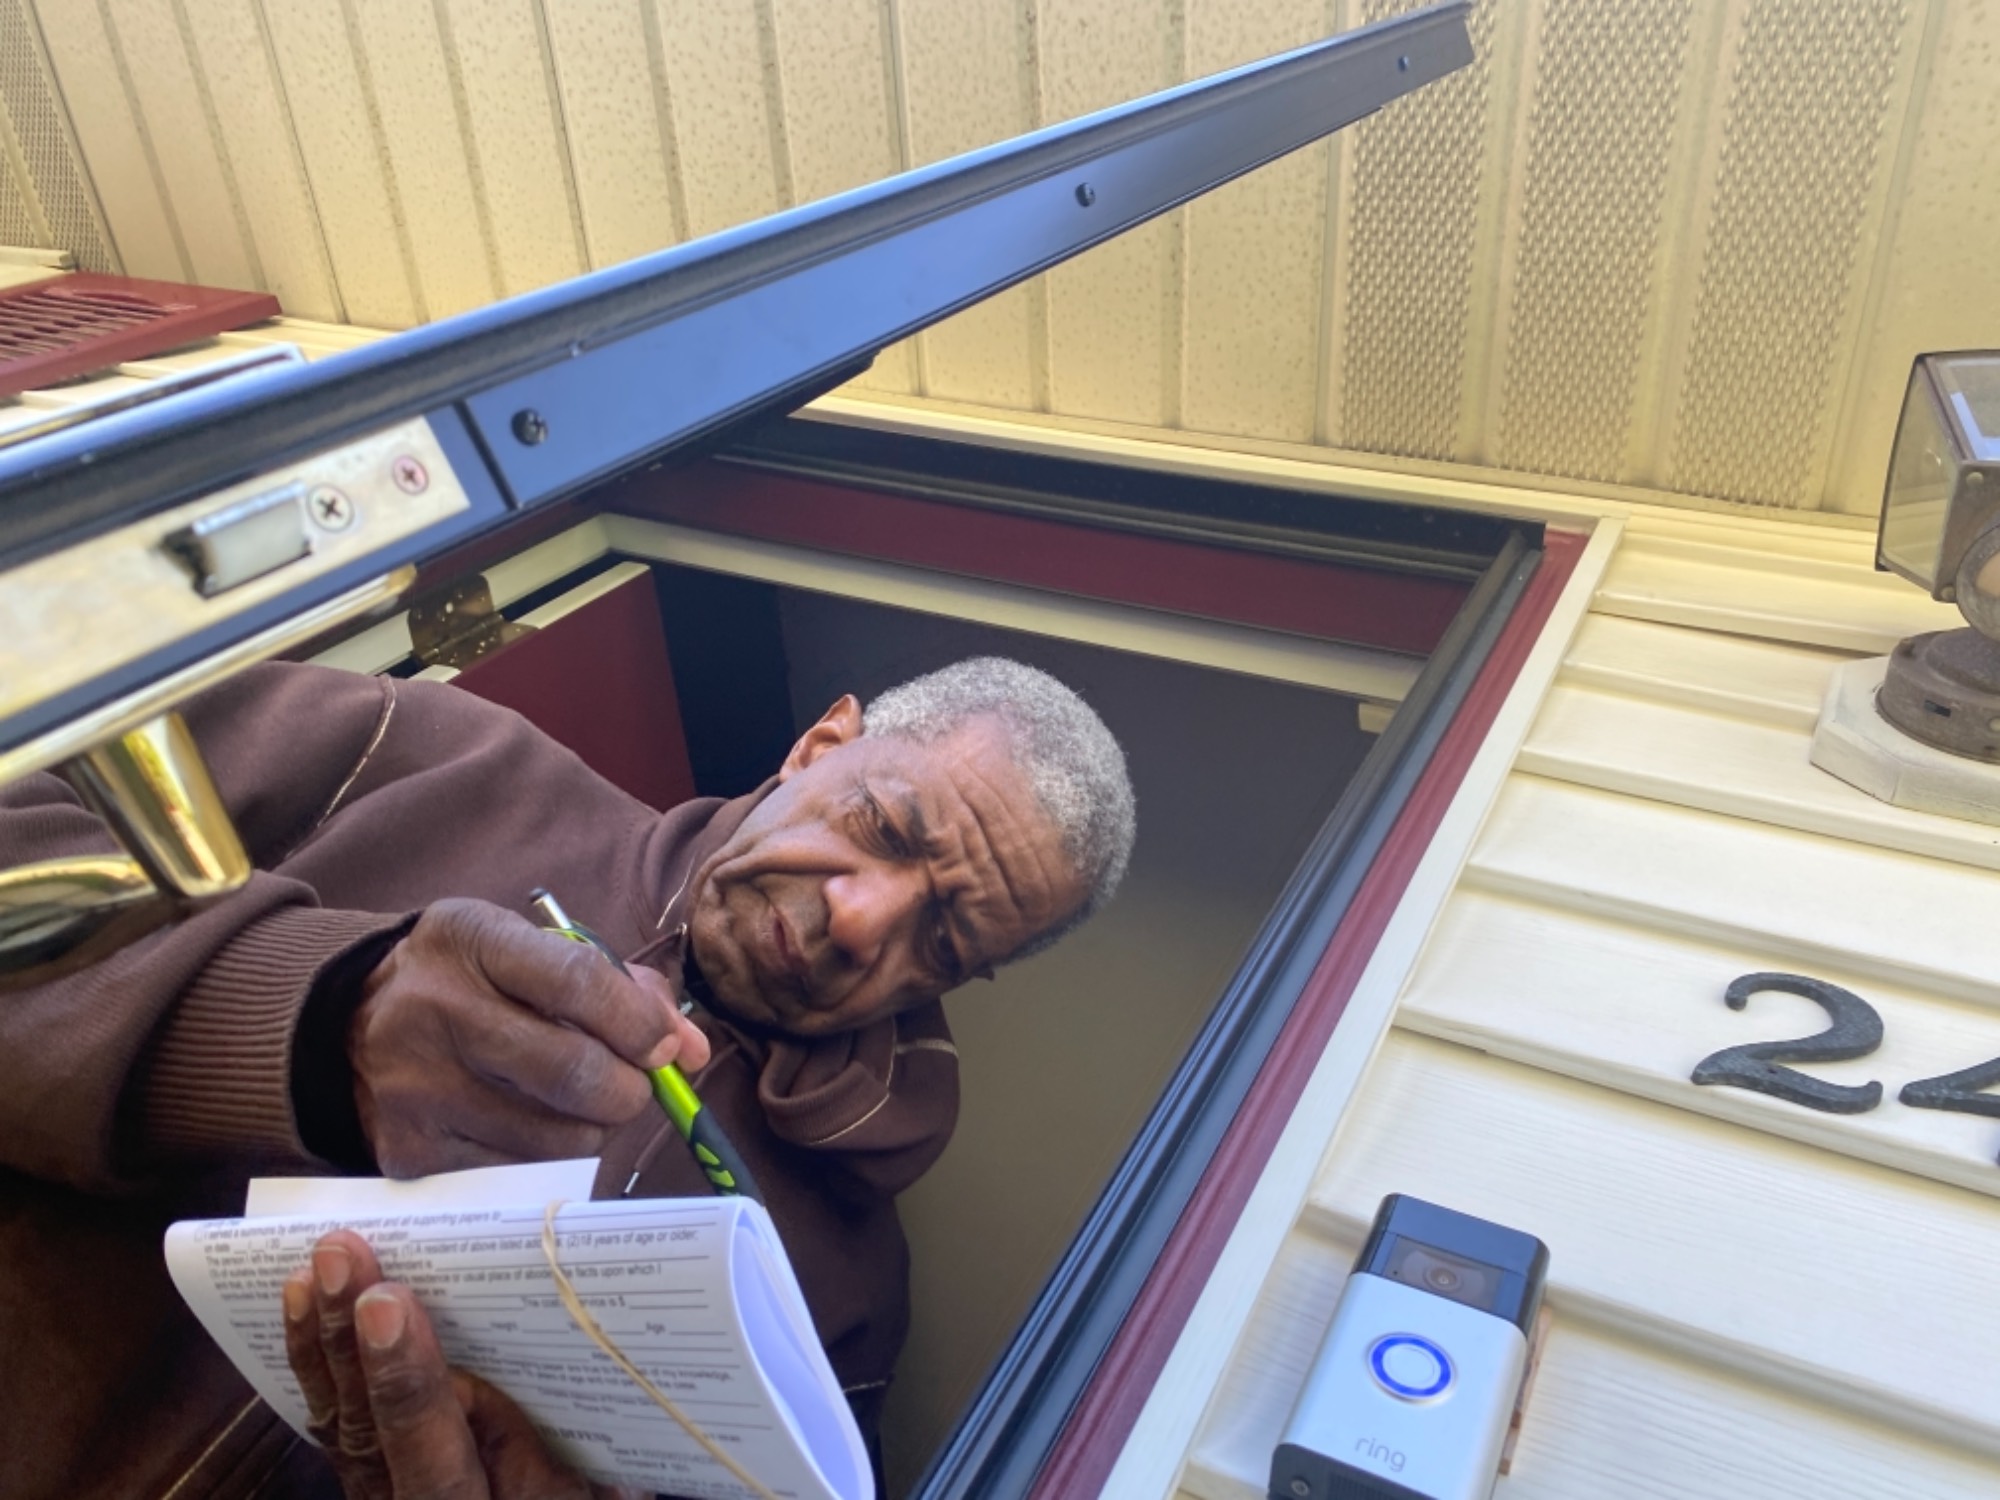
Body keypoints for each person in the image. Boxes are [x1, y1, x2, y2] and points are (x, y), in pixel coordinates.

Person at [0, 654, 1135, 1500]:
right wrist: (308, 1018)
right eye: (882, 825)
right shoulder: (419, 750)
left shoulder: (846, 1295)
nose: (859, 919)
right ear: (818, 745)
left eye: (941, 941)